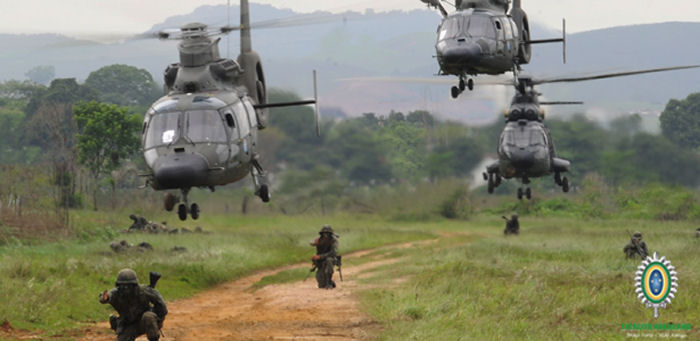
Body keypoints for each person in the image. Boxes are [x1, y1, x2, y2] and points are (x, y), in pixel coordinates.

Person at [99, 269, 167, 341]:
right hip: (129, 325)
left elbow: (162, 308)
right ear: (118, 286)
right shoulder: (116, 293)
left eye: (129, 285)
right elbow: (107, 297)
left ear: (134, 285)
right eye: (123, 285)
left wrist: (155, 320)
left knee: (148, 316)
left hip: (144, 321)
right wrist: (105, 298)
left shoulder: (144, 291)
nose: (126, 288)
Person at [310, 225, 339, 289]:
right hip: (321, 260)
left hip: (331, 258)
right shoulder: (319, 239)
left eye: (328, 233)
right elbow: (311, 242)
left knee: (329, 260)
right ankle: (329, 282)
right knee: (321, 284)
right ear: (322, 234)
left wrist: (320, 256)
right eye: (324, 233)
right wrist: (314, 243)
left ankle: (329, 283)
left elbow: (333, 253)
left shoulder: (334, 240)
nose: (326, 235)